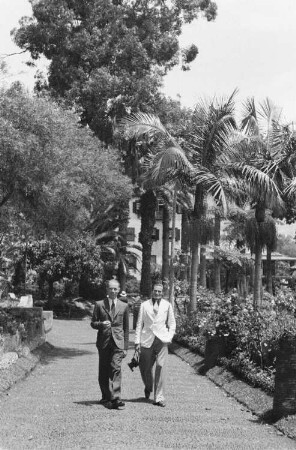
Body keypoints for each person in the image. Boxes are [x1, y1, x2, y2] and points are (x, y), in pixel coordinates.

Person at [135, 283, 176, 407]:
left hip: (162, 340)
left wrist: (169, 337)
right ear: (152, 291)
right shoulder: (144, 305)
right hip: (147, 340)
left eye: (159, 291)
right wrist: (137, 342)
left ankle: (159, 398)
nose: (157, 293)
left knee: (160, 366)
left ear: (162, 293)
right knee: (145, 368)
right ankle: (148, 386)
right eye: (155, 291)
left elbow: (172, 323)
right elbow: (139, 324)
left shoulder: (167, 305)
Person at [91, 279, 129, 409]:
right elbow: (93, 323)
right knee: (103, 370)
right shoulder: (99, 304)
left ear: (119, 290)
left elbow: (126, 328)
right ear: (107, 290)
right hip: (104, 341)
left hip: (118, 342)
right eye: (111, 289)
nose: (113, 291)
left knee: (116, 368)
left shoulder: (124, 306)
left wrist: (125, 347)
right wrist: (101, 324)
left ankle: (116, 398)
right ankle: (106, 395)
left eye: (115, 289)